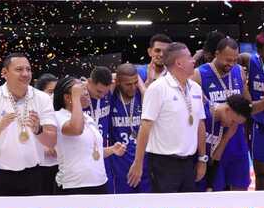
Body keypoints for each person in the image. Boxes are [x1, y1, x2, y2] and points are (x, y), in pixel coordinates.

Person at [0, 53, 57, 197]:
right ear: (4, 73)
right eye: (19, 69)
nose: (25, 74)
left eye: (28, 69)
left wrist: (38, 130)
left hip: (34, 175)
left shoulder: (43, 98)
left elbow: (52, 141)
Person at [128, 42, 207, 193]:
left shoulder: (196, 88)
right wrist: (138, 163)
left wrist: (202, 158)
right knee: (165, 206)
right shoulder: (157, 88)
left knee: (188, 205)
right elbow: (145, 126)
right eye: (189, 57)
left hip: (190, 161)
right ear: (179, 63)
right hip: (163, 163)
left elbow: (200, 124)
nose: (193, 61)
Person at [192, 37, 252, 191]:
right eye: (228, 60)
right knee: (214, 190)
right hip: (211, 139)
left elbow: (247, 104)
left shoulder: (239, 71)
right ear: (217, 54)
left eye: (234, 60)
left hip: (236, 138)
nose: (231, 64)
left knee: (240, 187)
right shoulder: (199, 74)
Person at [52, 77, 124, 194]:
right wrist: (76, 98)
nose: (86, 93)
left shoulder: (87, 117)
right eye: (81, 90)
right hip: (73, 185)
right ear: (67, 97)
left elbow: (90, 151)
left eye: (85, 89)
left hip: (100, 182)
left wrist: (111, 150)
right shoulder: (58, 116)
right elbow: (76, 129)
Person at [239, 32, 264, 191]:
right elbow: (236, 59)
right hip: (260, 124)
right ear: (259, 51)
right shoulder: (251, 60)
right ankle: (259, 199)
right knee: (261, 173)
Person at [108, 64, 148, 193]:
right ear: (118, 82)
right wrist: (113, 79)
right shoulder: (112, 97)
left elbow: (147, 96)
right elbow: (106, 88)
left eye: (135, 83)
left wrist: (141, 84)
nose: (133, 87)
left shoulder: (142, 95)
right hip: (119, 163)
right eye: (128, 84)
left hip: (143, 160)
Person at [199, 94, 252, 191]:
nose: (233, 125)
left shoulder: (229, 126)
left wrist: (210, 185)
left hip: (209, 163)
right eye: (233, 121)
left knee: (217, 185)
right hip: (193, 162)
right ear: (227, 110)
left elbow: (216, 156)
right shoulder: (203, 112)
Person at [34, 73, 59, 195]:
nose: (54, 95)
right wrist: (44, 148)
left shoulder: (60, 112)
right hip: (39, 166)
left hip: (59, 166)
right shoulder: (32, 112)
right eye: (50, 92)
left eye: (56, 92)